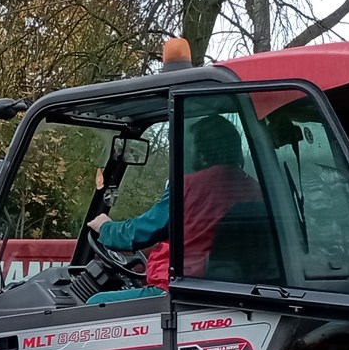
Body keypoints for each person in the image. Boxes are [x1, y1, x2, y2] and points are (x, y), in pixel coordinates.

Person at [88, 116, 261, 291]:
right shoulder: (257, 190)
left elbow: (142, 231)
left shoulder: (188, 187)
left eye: (191, 147)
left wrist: (105, 228)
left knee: (96, 302)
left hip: (181, 287)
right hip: (228, 287)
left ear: (202, 151)